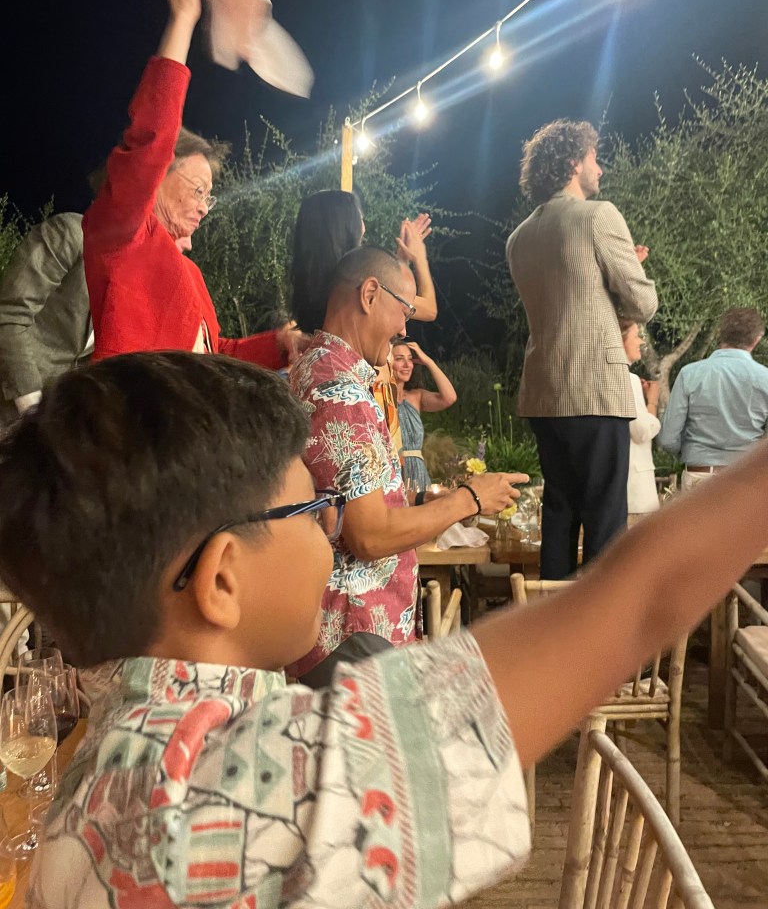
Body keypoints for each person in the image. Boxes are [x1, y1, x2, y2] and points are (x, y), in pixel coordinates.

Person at [2, 354, 768, 908]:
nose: (330, 532)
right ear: (222, 581)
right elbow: (640, 598)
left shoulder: (100, 766)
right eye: (313, 510)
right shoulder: (255, 779)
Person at [289, 245, 523, 687]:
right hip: (353, 639)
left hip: (355, 634)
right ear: (370, 294)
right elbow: (370, 535)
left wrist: (421, 500)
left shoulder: (324, 371)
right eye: (404, 310)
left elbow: (350, 504)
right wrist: (469, 500)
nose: (404, 327)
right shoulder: (339, 391)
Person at [83, 0, 297, 367]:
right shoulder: (123, 234)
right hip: (132, 408)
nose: (204, 206)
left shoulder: (191, 273)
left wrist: (280, 345)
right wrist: (184, 16)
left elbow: (217, 353)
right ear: (160, 172)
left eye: (208, 196)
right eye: (199, 190)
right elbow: (152, 137)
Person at [506, 119, 657, 580]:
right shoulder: (598, 216)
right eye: (595, 158)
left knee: (560, 512)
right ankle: (601, 624)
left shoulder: (518, 238)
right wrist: (630, 269)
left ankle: (552, 618)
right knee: (605, 523)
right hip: (594, 389)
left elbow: (571, 303)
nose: (600, 168)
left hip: (545, 394)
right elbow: (643, 304)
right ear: (573, 162)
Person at [290, 189, 438, 335]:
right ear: (348, 227)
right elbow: (429, 310)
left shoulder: (311, 281)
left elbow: (395, 295)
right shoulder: (357, 280)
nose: (363, 226)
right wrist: (420, 258)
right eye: (360, 217)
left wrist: (400, 260)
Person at [659, 307, 768, 491]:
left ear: (720, 333)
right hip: (746, 479)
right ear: (757, 339)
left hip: (699, 474)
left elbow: (668, 439)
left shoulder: (689, 374)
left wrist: (693, 451)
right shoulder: (765, 378)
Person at [0, 213, 91, 430]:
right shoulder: (72, 233)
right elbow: (10, 315)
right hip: (10, 404)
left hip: (51, 424)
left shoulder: (137, 279)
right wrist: (34, 413)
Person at [391, 339, 457, 491]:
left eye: (410, 359)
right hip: (394, 472)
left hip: (419, 473)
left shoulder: (416, 396)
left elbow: (449, 398)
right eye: (399, 359)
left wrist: (428, 362)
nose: (407, 365)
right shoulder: (381, 398)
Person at [620, 318, 660, 519]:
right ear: (620, 341)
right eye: (636, 336)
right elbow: (641, 431)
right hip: (636, 489)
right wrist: (652, 402)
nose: (641, 342)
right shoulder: (629, 379)